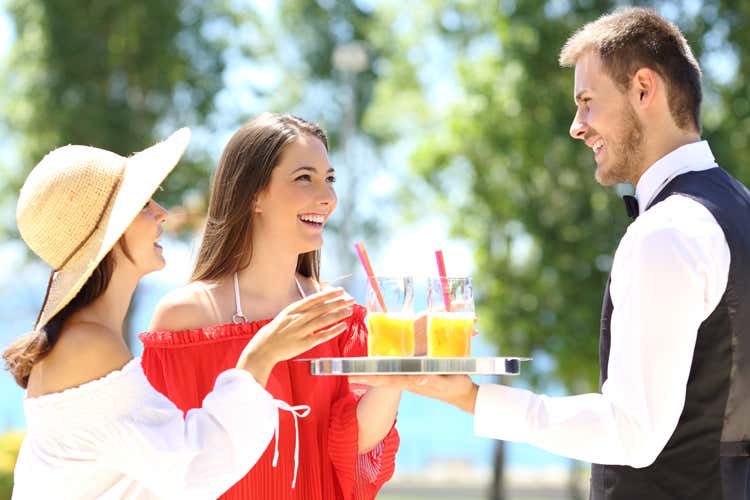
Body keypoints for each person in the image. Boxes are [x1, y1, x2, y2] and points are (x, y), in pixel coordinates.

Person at [351, 8, 750, 500]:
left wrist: (474, 399)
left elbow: (633, 432)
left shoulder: (666, 232)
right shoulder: (739, 210)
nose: (577, 127)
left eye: (587, 102)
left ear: (644, 89)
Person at [2, 129, 355, 499]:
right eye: (143, 205)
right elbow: (194, 471)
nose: (162, 213)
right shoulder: (87, 345)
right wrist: (259, 357)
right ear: (108, 232)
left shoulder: (85, 338)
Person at [140, 113, 401, 500]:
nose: (327, 197)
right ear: (254, 195)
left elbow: (355, 444)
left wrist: (396, 372)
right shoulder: (186, 318)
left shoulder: (337, 314)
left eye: (329, 179)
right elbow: (165, 463)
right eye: (304, 178)